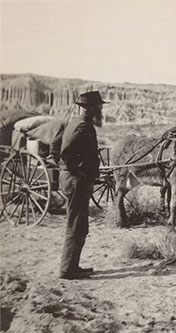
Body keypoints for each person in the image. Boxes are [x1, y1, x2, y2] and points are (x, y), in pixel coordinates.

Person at [58, 91, 106, 280]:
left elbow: (56, 145)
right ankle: (68, 270)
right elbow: (66, 152)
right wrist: (80, 172)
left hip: (74, 179)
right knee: (76, 225)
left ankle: (72, 266)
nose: (101, 110)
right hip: (77, 181)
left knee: (79, 225)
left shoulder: (76, 123)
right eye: (99, 107)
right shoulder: (83, 127)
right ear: (92, 109)